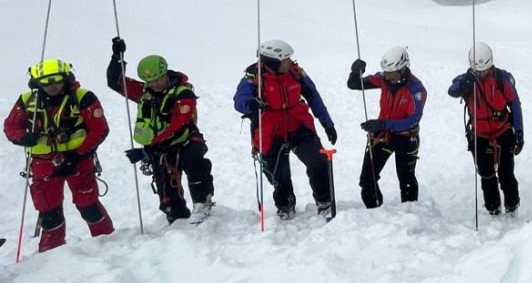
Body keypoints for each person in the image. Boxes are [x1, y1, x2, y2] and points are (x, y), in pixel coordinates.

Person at [4, 59, 115, 252]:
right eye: (46, 82)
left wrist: (77, 155)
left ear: (66, 78)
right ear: (37, 82)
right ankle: (51, 254)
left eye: (56, 81)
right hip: (43, 163)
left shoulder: (83, 97)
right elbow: (10, 126)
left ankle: (109, 244)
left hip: (79, 160)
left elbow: (100, 129)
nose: (52, 86)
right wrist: (24, 137)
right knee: (49, 212)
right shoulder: (27, 100)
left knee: (88, 205)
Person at [107, 37, 215, 224]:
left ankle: (202, 202)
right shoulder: (144, 92)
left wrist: (147, 150)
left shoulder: (183, 93)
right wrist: (117, 57)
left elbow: (177, 125)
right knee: (167, 193)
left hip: (185, 140)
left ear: (165, 74)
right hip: (158, 148)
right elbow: (115, 82)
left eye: (157, 79)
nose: (154, 84)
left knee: (194, 163)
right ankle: (176, 218)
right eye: (149, 80)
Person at [233, 40, 337, 219]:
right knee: (278, 175)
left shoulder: (295, 73)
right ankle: (285, 205)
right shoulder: (253, 76)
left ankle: (324, 200)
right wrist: (250, 103)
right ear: (273, 62)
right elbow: (239, 100)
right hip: (270, 131)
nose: (289, 62)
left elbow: (313, 96)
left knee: (318, 161)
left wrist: (328, 124)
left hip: (298, 125)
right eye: (285, 60)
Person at [448, 42, 523, 216]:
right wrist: (466, 82)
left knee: (506, 173)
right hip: (480, 135)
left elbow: (515, 106)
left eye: (485, 70)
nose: (482, 73)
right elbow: (452, 90)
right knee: (486, 174)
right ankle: (493, 208)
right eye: (478, 70)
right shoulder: (466, 80)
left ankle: (512, 206)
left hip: (503, 132)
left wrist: (519, 133)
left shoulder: (502, 79)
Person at [348, 46, 427, 208]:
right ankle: (374, 210)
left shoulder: (416, 90)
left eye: (392, 72)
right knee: (367, 178)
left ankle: (411, 213)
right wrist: (355, 71)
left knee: (406, 178)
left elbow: (413, 119)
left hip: (405, 137)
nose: (388, 76)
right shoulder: (383, 79)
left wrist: (383, 124)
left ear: (403, 69)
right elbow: (355, 84)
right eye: (386, 72)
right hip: (383, 135)